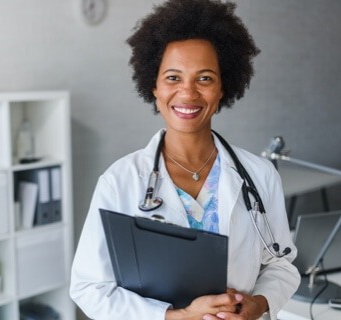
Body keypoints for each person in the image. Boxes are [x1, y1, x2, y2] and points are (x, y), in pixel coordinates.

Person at [70, 0, 301, 319]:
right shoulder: (120, 180)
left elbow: (281, 264)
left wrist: (259, 304)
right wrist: (177, 316)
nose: (188, 93)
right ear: (154, 85)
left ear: (223, 88)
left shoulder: (259, 175)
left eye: (205, 78)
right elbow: (89, 288)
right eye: (173, 78)